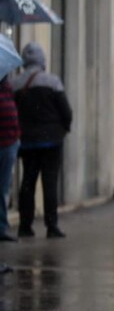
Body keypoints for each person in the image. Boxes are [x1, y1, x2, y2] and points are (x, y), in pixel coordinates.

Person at [14, 42, 72, 238]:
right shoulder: (52, 82)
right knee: (49, 182)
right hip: (52, 141)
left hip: (27, 142)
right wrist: (64, 128)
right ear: (41, 60)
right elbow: (66, 110)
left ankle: (25, 225)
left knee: (28, 182)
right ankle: (51, 225)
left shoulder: (16, 83)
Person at [0, 74, 19, 247]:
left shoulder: (7, 87)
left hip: (9, 143)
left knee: (3, 188)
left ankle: (2, 227)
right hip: (6, 142)